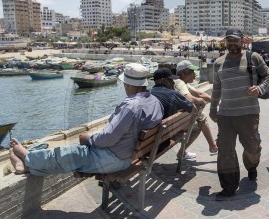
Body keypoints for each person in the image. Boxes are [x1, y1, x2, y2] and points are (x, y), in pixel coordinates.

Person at [9, 63, 163, 176]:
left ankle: (26, 158)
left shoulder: (130, 106)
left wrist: (88, 139)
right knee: (73, 154)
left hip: (114, 159)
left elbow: (108, 138)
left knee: (67, 153)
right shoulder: (155, 101)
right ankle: (30, 166)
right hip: (131, 155)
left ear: (127, 83)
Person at [210, 28, 269, 200]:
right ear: (225, 42)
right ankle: (229, 187)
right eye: (229, 40)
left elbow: (268, 76)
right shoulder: (219, 63)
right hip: (225, 115)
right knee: (225, 151)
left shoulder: (253, 58)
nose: (232, 43)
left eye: (235, 40)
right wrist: (212, 108)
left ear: (242, 41)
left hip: (248, 113)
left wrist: (259, 89)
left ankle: (251, 166)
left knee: (252, 148)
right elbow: (216, 88)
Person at [175, 60, 218, 158]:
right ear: (184, 73)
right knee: (201, 120)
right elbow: (188, 98)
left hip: (178, 119)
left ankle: (212, 147)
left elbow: (199, 93)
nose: (194, 75)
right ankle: (213, 147)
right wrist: (200, 101)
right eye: (192, 72)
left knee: (200, 118)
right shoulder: (179, 83)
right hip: (176, 124)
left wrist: (216, 102)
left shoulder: (183, 82)